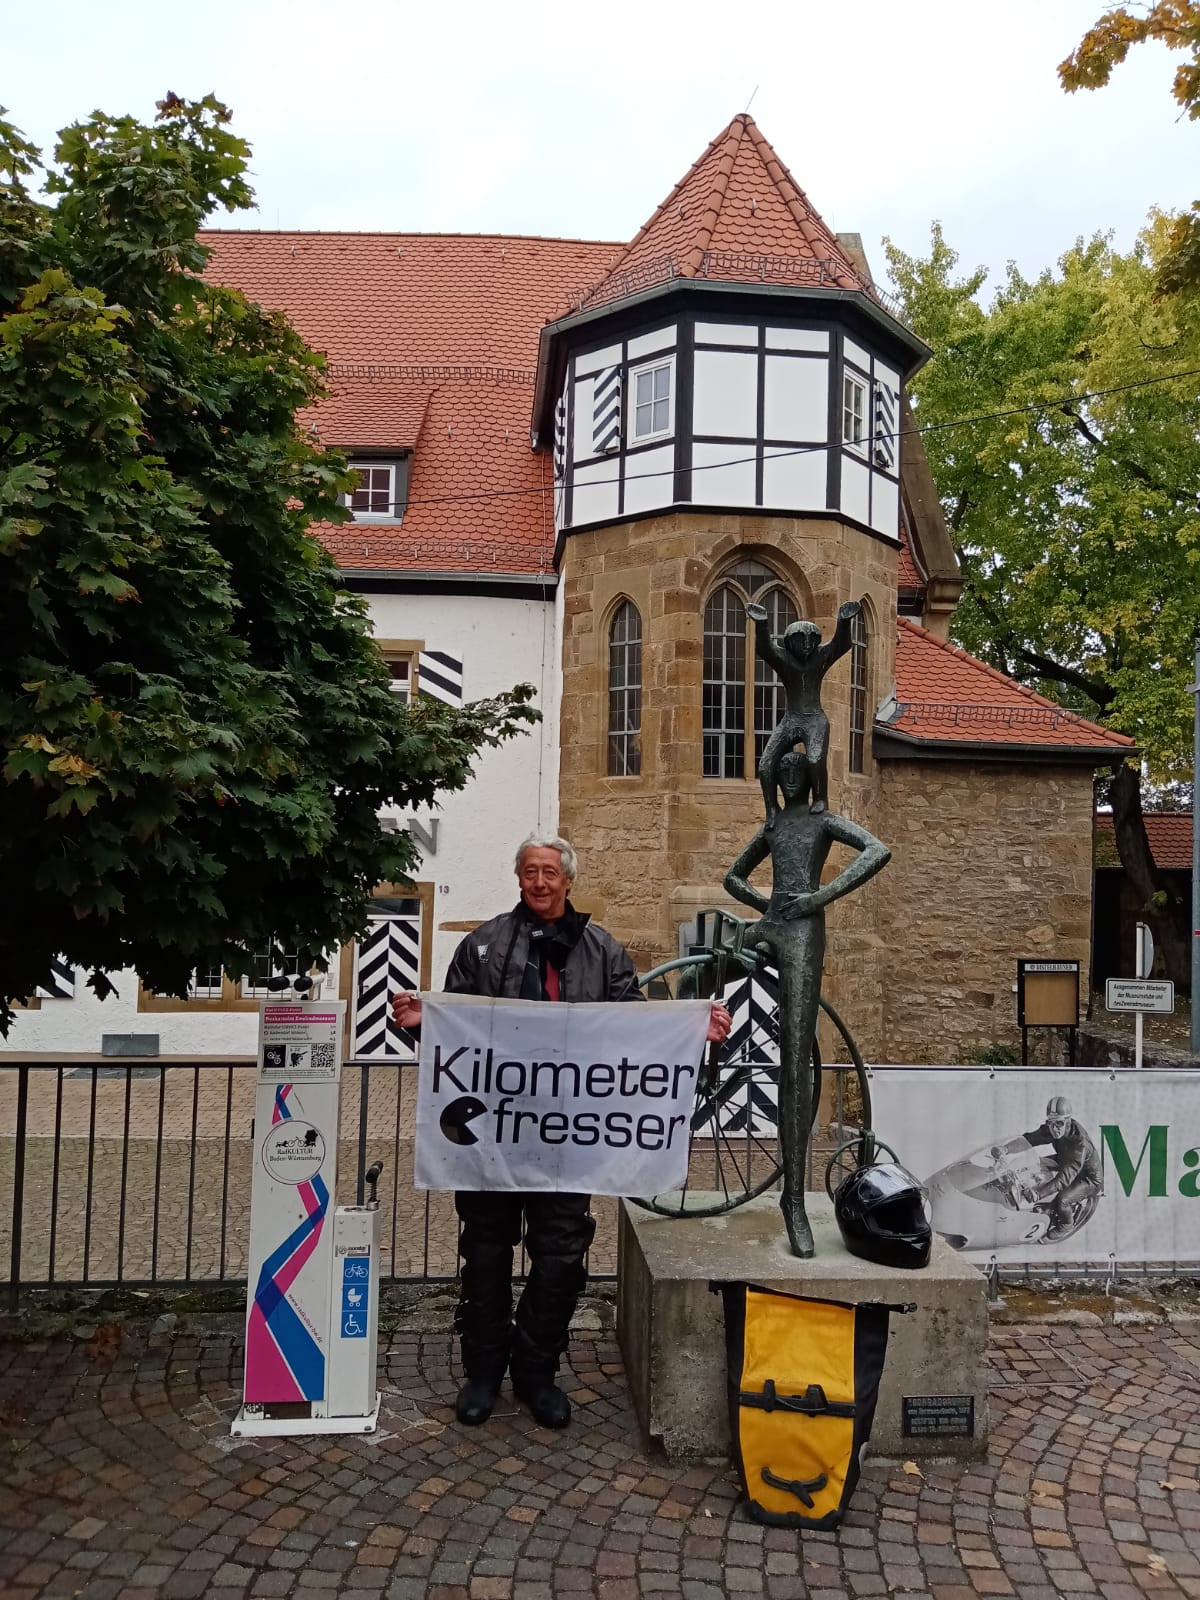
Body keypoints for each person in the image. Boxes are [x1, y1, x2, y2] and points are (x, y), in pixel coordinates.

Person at [392, 832, 731, 1429]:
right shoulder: (481, 946)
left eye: (550, 872)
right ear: (518, 877)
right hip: (494, 1137)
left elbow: (636, 1031)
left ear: (569, 880)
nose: (540, 882)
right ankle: (483, 1372)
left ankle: (536, 1372)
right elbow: (456, 1033)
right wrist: (424, 1023)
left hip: (569, 1138)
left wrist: (689, 1031)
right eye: (530, 871)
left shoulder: (603, 951)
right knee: (486, 1255)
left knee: (560, 1257)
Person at [723, 753, 890, 1256]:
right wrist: (768, 905)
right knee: (702, 970)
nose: (791, 778)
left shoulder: (822, 821)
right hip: (774, 923)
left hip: (803, 932)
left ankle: (792, 1200)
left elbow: (877, 851)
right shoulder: (774, 826)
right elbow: (733, 878)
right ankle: (685, 1056)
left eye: (799, 772)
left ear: (811, 776)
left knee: (795, 1057)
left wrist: (819, 898)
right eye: (784, 773)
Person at [746, 598, 860, 827]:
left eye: (812, 639)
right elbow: (765, 649)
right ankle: (772, 809)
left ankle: (820, 799)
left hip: (815, 720)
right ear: (789, 642)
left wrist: (844, 622)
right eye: (800, 639)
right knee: (766, 763)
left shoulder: (821, 657)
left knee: (815, 759)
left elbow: (840, 644)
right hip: (791, 719)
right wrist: (762, 624)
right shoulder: (784, 659)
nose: (807, 644)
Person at [995, 1095, 1103, 1242]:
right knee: (1032, 1165)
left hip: (1087, 1178)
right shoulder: (1053, 1128)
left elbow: (1064, 1179)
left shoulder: (1080, 1144)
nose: (1054, 1128)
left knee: (1062, 1200)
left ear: (1068, 1121)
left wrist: (1038, 1194)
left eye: (1059, 1123)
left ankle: (1066, 1224)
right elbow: (1029, 1139)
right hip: (1065, 1159)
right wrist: (1005, 1149)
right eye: (1051, 1123)